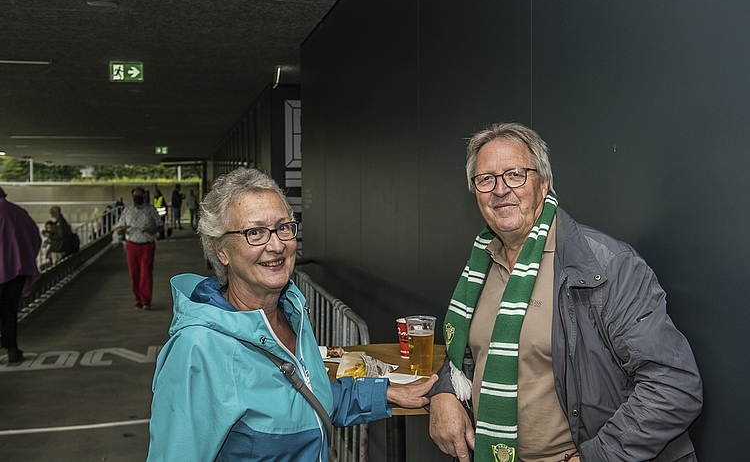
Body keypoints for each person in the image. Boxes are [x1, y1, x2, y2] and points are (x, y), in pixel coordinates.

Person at [428, 123, 702, 462]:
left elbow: (674, 385)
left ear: (544, 184)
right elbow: (465, 357)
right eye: (486, 179)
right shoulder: (479, 267)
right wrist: (443, 395)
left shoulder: (604, 266)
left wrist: (596, 457)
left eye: (515, 175)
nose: (500, 190)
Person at [146, 167, 438, 461]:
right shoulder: (197, 350)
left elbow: (308, 402)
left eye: (283, 227)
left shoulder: (291, 312)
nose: (275, 245)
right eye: (255, 232)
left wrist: (385, 393)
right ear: (221, 250)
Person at [0, 187, 42, 364]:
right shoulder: (19, 212)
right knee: (10, 311)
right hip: (17, 271)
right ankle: (12, 350)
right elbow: (36, 238)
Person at [113, 187, 163, 309]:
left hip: (147, 244)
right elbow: (118, 229)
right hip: (132, 245)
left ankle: (146, 300)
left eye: (140, 196)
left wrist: (153, 230)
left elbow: (160, 226)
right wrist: (122, 230)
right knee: (134, 273)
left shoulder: (151, 210)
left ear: (144, 196)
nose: (138, 198)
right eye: (135, 196)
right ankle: (138, 299)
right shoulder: (127, 210)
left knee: (145, 272)